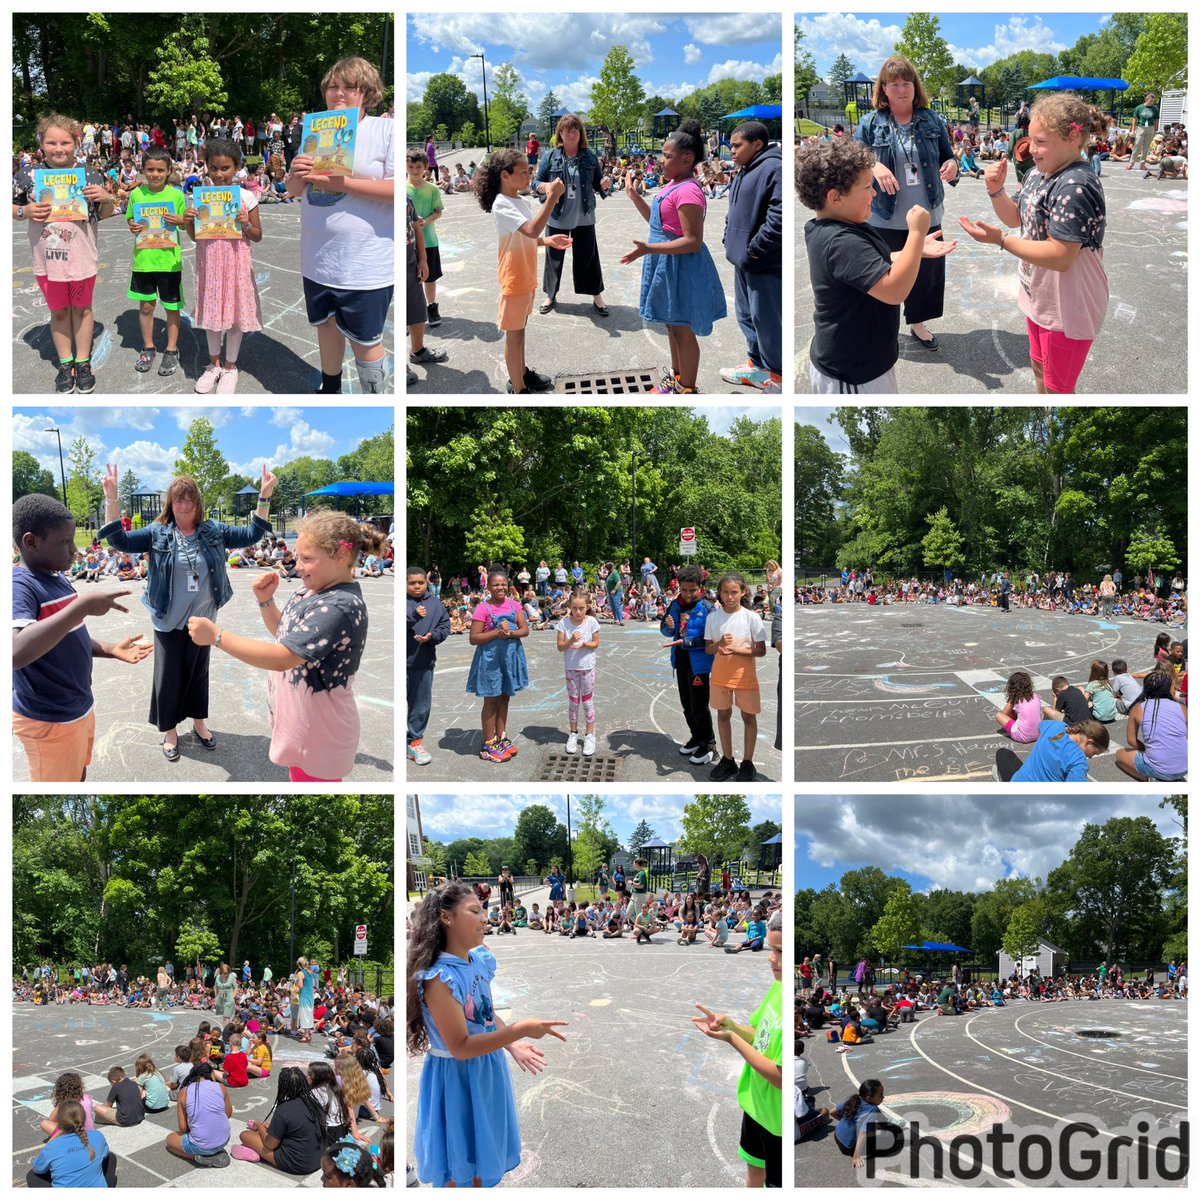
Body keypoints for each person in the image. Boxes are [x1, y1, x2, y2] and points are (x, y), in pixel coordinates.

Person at [186, 511, 382, 783]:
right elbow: (285, 634)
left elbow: (283, 657)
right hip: (301, 725)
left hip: (321, 735)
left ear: (339, 556)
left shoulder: (340, 606)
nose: (297, 566)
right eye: (298, 557)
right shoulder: (310, 590)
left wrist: (217, 637)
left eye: (307, 559)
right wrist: (266, 602)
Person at [99, 464, 274, 762]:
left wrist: (264, 498)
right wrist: (111, 500)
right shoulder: (158, 533)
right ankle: (169, 731)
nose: (183, 505)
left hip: (203, 622)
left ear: (197, 504)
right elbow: (119, 541)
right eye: (178, 499)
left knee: (197, 674)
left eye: (188, 499)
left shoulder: (214, 531)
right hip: (168, 619)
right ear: (171, 503)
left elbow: (252, 534)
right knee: (168, 678)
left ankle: (199, 723)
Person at [408, 881, 568, 1186]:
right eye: (474, 910)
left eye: (484, 910)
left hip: (485, 1070)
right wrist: (519, 1030)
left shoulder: (477, 961)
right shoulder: (440, 977)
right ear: (446, 917)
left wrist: (513, 1044)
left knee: (483, 1161)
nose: (485, 917)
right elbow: (460, 1047)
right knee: (459, 1166)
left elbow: (485, 1013)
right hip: (456, 1080)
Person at [959, 94, 1108, 394]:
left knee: (1057, 390)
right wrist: (995, 191)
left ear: (1073, 137)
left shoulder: (1076, 183)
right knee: (1040, 371)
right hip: (1040, 296)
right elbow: (1017, 219)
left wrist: (1001, 241)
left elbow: (1061, 255)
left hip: (1067, 306)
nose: (1031, 150)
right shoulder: (1036, 174)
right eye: (1030, 140)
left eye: (1041, 142)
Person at [13, 493, 153, 782]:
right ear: (31, 542)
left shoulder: (57, 579)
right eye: (64, 541)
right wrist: (83, 606)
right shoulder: (20, 586)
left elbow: (64, 635)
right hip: (48, 720)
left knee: (78, 774)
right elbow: (14, 653)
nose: (73, 550)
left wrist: (110, 648)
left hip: (77, 708)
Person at [797, 138, 953, 392]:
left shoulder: (833, 228)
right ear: (835, 197)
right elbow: (894, 291)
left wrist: (912, 252)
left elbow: (868, 266)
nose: (874, 193)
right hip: (852, 373)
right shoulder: (841, 241)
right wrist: (915, 234)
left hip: (863, 361)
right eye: (868, 187)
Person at [287, 57, 393, 394]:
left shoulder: (385, 129)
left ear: (367, 92)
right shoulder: (314, 133)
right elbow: (293, 191)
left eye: (350, 87)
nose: (340, 94)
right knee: (326, 325)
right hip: (318, 258)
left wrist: (342, 182)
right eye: (333, 86)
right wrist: (295, 173)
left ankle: (375, 399)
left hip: (364, 264)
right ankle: (329, 389)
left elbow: (396, 190)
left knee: (365, 341)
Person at [854, 56, 959, 351]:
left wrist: (951, 163)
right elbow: (850, 160)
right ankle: (881, 326)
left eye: (906, 83)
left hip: (927, 212)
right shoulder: (870, 123)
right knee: (883, 272)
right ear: (884, 89)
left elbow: (947, 155)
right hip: (883, 215)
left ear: (915, 86)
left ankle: (918, 323)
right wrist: (873, 164)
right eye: (894, 84)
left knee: (926, 275)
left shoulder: (932, 119)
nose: (902, 89)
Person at [620, 118, 726, 394]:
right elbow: (658, 224)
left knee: (682, 329)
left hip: (681, 265)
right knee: (671, 324)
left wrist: (649, 249)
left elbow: (692, 241)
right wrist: (634, 196)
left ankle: (687, 388)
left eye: (667, 156)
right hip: (666, 262)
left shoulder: (689, 190)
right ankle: (677, 378)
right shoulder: (672, 185)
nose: (661, 161)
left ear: (687, 158)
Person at [13, 113, 115, 393]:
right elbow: (12, 206)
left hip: (81, 257)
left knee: (82, 311)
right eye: (52, 143)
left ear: (76, 142)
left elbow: (103, 215)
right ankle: (64, 362)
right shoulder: (27, 175)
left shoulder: (91, 174)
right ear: (41, 144)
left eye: (65, 143)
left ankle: (83, 363)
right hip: (46, 260)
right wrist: (24, 211)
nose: (59, 149)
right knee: (58, 313)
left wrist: (107, 198)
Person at [693, 910, 783, 1187]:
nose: (771, 958)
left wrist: (732, 1040)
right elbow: (759, 1033)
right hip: (756, 1105)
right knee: (754, 1171)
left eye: (779, 951)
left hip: (776, 1122)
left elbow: (780, 1075)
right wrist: (731, 1026)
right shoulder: (777, 988)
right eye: (771, 949)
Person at [473, 149, 570, 393]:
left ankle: (522, 373)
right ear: (505, 175)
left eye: (530, 171)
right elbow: (532, 230)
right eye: (524, 172)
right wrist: (552, 197)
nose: (529, 175)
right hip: (514, 277)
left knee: (521, 330)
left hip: (526, 274)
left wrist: (547, 242)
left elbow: (526, 237)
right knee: (513, 336)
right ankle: (518, 389)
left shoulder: (520, 201)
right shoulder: (502, 204)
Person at [185, 138, 263, 393]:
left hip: (236, 264)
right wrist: (188, 221)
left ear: (237, 167)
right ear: (206, 166)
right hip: (210, 265)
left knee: (234, 317)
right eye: (214, 168)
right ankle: (213, 365)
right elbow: (195, 237)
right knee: (211, 315)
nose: (219, 174)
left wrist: (245, 224)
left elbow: (258, 235)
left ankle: (230, 367)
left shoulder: (246, 197)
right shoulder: (200, 198)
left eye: (225, 168)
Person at [719, 120, 783, 391]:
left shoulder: (773, 168)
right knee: (747, 316)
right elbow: (734, 212)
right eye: (730, 145)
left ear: (757, 145)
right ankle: (756, 365)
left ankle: (775, 375)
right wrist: (728, 238)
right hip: (743, 261)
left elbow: (778, 219)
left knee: (766, 320)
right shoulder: (744, 170)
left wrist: (754, 250)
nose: (731, 150)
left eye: (737, 145)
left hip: (763, 264)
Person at [534, 114, 611, 318]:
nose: (571, 133)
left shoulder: (589, 155)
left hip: (584, 215)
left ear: (580, 133)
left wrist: (604, 183)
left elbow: (598, 181)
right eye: (567, 129)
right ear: (560, 133)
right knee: (554, 258)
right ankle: (550, 296)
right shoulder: (550, 156)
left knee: (589, 257)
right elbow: (536, 184)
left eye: (575, 129)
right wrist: (547, 186)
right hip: (557, 215)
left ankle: (597, 296)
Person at [124, 144, 188, 376]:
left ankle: (171, 350)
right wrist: (132, 226)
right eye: (150, 169)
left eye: (161, 170)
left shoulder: (176, 195)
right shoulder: (136, 194)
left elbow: (186, 222)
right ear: (143, 169)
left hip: (169, 262)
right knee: (146, 306)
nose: (155, 174)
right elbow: (131, 220)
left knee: (172, 308)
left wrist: (180, 219)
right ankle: (149, 347)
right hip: (144, 260)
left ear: (169, 170)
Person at [705, 571, 767, 782]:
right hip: (720, 677)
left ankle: (747, 763)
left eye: (734, 592)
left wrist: (737, 651)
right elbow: (708, 649)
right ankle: (728, 759)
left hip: (744, 677)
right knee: (723, 716)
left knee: (748, 717)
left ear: (743, 592)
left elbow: (761, 650)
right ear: (719, 594)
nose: (729, 597)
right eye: (725, 592)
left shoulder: (751, 617)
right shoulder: (713, 618)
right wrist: (719, 644)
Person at [467, 566, 530, 763]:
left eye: (503, 584)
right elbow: (474, 638)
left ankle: (501, 736)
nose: (500, 588)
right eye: (496, 585)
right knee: (491, 700)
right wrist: (497, 632)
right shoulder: (483, 608)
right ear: (488, 586)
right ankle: (488, 742)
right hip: (490, 660)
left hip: (509, 657)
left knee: (504, 698)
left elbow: (525, 630)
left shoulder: (514, 605)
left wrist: (510, 633)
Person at [661, 563, 718, 765]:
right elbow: (666, 630)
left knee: (699, 707)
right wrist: (669, 627)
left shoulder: (708, 607)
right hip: (681, 662)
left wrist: (686, 642)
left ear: (700, 587)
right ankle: (696, 737)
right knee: (687, 706)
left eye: (692, 590)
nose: (687, 594)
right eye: (683, 590)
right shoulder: (676, 604)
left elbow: (711, 640)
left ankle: (709, 745)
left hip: (699, 665)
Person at [233, 1066, 326, 1173]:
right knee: (267, 1133)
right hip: (318, 1159)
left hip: (297, 1164)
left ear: (283, 1086)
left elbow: (270, 1144)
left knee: (245, 1135)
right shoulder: (314, 1103)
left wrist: (259, 1126)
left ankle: (257, 1154)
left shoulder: (284, 1109)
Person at [407, 566, 450, 766]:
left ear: (427, 582)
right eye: (411, 583)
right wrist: (413, 616)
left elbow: (445, 626)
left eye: (420, 582)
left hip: (424, 662)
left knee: (421, 705)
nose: (416, 586)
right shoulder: (401, 602)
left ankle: (414, 742)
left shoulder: (435, 603)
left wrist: (432, 636)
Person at [1115, 670, 1188, 781]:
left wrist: (1147, 749)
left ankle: (1148, 778)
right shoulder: (1182, 707)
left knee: (1120, 754)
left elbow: (1131, 741)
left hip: (1158, 768)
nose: (1176, 691)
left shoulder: (1138, 708)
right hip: (1186, 767)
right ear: (1167, 690)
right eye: (1174, 688)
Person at [28, 1100, 116, 1186]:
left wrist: (55, 1135)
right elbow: (105, 1153)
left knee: (32, 1176)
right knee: (111, 1157)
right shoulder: (97, 1136)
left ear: (59, 1122)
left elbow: (37, 1169)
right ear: (84, 1118)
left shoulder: (53, 1146)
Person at [555, 592, 601, 755]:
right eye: (574, 608)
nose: (578, 612)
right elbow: (560, 646)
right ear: (570, 607)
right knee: (573, 702)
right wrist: (571, 640)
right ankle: (573, 733)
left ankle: (590, 735)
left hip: (587, 667)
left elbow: (596, 643)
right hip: (571, 668)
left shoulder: (592, 622)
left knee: (588, 702)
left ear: (587, 607)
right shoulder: (564, 623)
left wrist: (586, 644)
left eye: (581, 608)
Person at [993, 718, 1110, 782]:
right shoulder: (1079, 762)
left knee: (1003, 753)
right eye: (1094, 753)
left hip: (1018, 782)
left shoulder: (1056, 726)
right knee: (1004, 755)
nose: (1090, 757)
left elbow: (1040, 728)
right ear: (1089, 742)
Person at [406, 149, 445, 328]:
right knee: (409, 279)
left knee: (430, 276)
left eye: (418, 167)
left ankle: (431, 306)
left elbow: (438, 212)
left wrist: (425, 221)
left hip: (428, 239)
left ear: (426, 167)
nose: (414, 170)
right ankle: (410, 314)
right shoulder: (402, 188)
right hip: (408, 241)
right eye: (411, 166)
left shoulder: (432, 189)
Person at [993, 670, 1042, 742]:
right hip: (1038, 734)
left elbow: (1005, 713)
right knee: (1022, 713)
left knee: (998, 715)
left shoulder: (1016, 698)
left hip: (1023, 736)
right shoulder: (1036, 696)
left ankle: (1018, 728)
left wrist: (1012, 698)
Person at [1127, 92, 1160, 171]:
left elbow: (1156, 119)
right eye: (1151, 101)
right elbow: (1135, 119)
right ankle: (1131, 163)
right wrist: (1133, 130)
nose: (1152, 102)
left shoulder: (1155, 108)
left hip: (1150, 127)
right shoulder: (1139, 108)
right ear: (1147, 100)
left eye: (1153, 101)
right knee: (1137, 146)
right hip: (1141, 127)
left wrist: (1155, 129)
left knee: (1146, 147)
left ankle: (1142, 164)